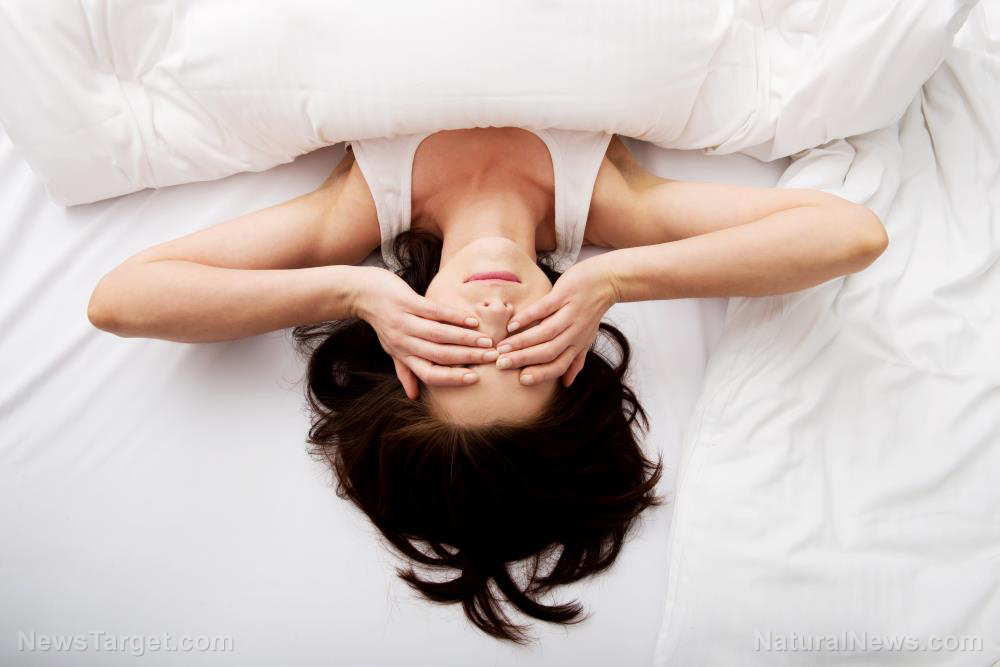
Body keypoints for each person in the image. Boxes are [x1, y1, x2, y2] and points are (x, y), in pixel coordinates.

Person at [87, 127, 887, 642]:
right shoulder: (612, 203)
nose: (494, 315)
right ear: (573, 357)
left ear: (404, 352)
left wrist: (351, 290)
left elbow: (120, 299)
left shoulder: (358, 210)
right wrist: (617, 279)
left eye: (459, 353)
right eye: (523, 352)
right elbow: (851, 233)